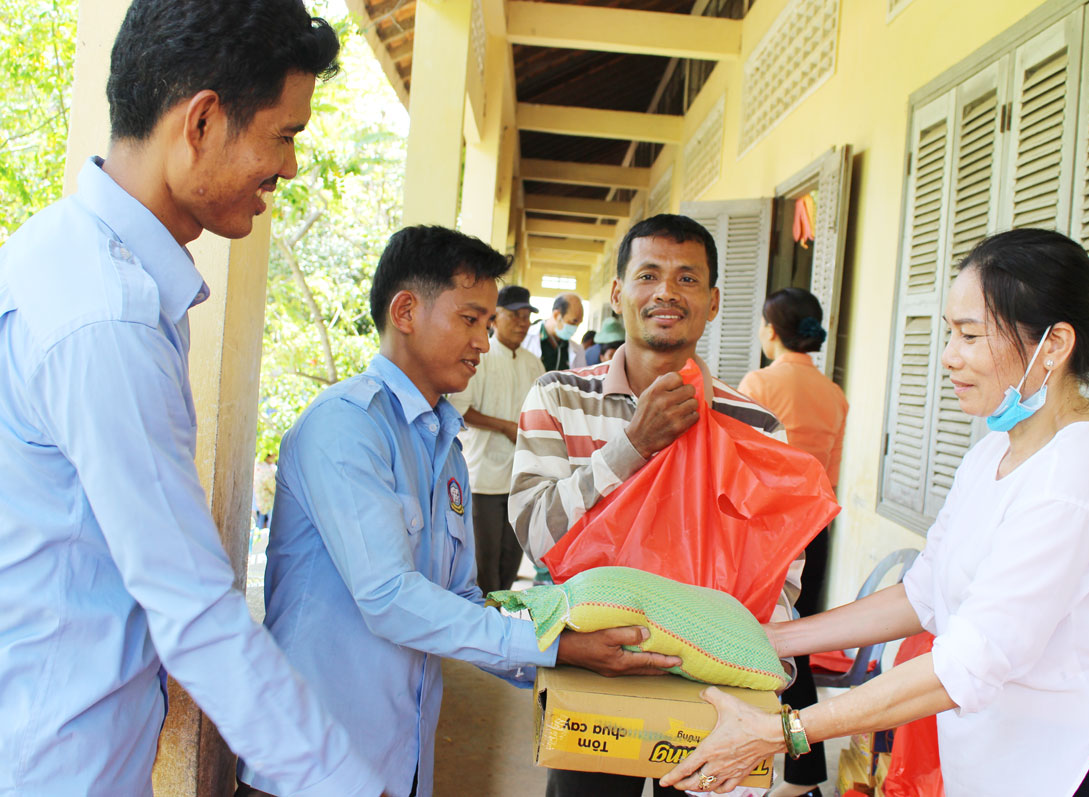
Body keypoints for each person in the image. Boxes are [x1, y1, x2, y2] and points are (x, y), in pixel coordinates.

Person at [0, 2, 392, 795]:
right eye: (283, 136)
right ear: (203, 121)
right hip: (58, 761)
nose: (287, 169)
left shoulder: (66, 254)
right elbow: (198, 612)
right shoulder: (106, 317)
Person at [660, 229, 1089, 797]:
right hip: (995, 763)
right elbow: (922, 595)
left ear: (1053, 346)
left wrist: (783, 730)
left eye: (971, 335)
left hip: (1074, 769)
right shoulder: (991, 455)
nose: (950, 357)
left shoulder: (1079, 473)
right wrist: (770, 638)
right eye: (949, 333)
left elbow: (970, 662)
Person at [239, 226, 680, 797]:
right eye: (470, 319)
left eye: (488, 322)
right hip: (309, 765)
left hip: (399, 761)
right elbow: (390, 598)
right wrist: (553, 646)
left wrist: (563, 636)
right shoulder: (346, 425)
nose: (484, 340)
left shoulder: (444, 445)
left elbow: (461, 599)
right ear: (405, 311)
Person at [510, 214, 788, 797]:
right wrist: (632, 445)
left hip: (713, 688)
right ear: (618, 293)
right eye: (648, 274)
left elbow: (778, 569)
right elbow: (537, 536)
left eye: (687, 279)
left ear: (713, 303)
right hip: (594, 671)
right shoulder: (559, 396)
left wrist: (755, 669)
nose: (666, 291)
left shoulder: (756, 425)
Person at [736, 288, 848, 797]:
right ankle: (804, 774)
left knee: (747, 640)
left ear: (771, 330)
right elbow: (832, 477)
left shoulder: (758, 382)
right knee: (799, 644)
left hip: (767, 529)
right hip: (815, 529)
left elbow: (739, 465)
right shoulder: (834, 394)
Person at [448, 285, 545, 594]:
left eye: (527, 316)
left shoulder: (533, 363)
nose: (522, 322)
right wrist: (504, 426)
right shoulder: (481, 357)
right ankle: (486, 629)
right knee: (484, 564)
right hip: (484, 480)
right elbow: (460, 409)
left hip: (521, 480)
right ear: (494, 318)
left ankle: (502, 622)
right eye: (514, 315)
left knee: (510, 562)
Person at [523, 291, 586, 371]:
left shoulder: (577, 350)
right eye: (573, 321)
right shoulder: (526, 338)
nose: (575, 327)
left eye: (578, 323)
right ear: (556, 315)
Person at [253, 453, 278, 530]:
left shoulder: (256, 465)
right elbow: (274, 488)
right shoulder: (270, 469)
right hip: (266, 506)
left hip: (256, 504)